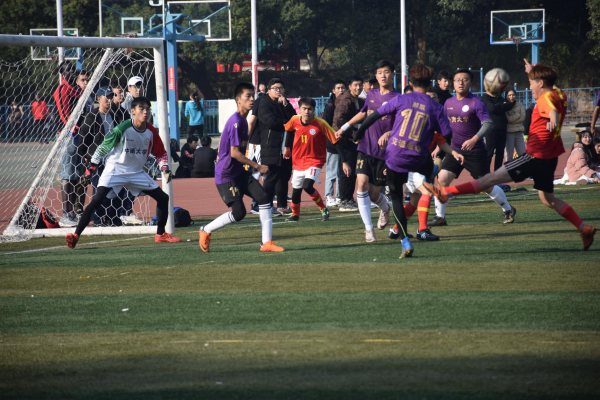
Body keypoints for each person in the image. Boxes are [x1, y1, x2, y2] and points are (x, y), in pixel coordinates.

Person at [429, 62, 596, 251]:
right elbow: (552, 93)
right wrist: (532, 72)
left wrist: (553, 120)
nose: (530, 88)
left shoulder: (545, 99)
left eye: (531, 83)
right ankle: (583, 227)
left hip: (534, 157)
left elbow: (551, 110)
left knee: (488, 180)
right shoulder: (560, 94)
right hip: (550, 158)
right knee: (548, 199)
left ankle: (447, 193)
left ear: (541, 83)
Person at [353, 64, 462, 258]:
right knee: (428, 174)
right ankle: (430, 181)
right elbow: (447, 133)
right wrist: (436, 141)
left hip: (394, 156)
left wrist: (359, 133)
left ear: (410, 82)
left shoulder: (401, 99)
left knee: (396, 197)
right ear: (430, 83)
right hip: (419, 157)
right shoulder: (435, 106)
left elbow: (374, 116)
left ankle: (405, 240)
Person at [65, 96, 180, 248]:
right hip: (115, 169)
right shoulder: (122, 128)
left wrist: (164, 168)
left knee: (163, 198)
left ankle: (160, 234)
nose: (145, 112)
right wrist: (90, 169)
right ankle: (75, 235)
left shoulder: (151, 131)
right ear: (133, 111)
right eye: (141, 109)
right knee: (97, 200)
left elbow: (161, 153)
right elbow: (104, 147)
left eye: (148, 109)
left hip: (136, 172)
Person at [199, 82, 284, 253]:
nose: (252, 99)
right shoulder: (236, 122)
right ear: (238, 100)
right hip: (226, 176)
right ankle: (205, 230)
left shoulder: (244, 121)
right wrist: (257, 166)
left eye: (253, 95)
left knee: (263, 197)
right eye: (248, 96)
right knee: (239, 213)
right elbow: (235, 153)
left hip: (239, 172)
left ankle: (266, 242)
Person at [430, 68, 515, 227]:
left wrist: (474, 139)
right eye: (457, 80)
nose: (461, 83)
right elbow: (444, 127)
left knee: (486, 186)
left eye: (465, 80)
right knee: (441, 179)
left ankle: (508, 209)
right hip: (455, 150)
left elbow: (488, 124)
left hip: (475, 152)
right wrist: (439, 147)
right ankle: (440, 217)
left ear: (471, 83)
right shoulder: (448, 103)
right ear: (453, 83)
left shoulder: (476, 102)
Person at [335, 60, 398, 242]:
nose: (383, 75)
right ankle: (368, 229)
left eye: (386, 72)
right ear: (376, 76)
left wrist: (388, 133)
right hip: (365, 147)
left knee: (374, 194)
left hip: (384, 153)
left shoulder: (398, 98)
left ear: (393, 74)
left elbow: (402, 123)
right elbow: (364, 113)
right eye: (380, 72)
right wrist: (345, 127)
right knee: (361, 183)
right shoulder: (371, 95)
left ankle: (385, 208)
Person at [283, 97, 347, 222]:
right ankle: (295, 214)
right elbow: (289, 130)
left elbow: (335, 141)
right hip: (298, 161)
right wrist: (287, 147)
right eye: (304, 109)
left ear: (314, 110)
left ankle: (323, 208)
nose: (307, 112)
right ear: (299, 109)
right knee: (296, 191)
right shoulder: (294, 120)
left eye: (310, 109)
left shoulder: (321, 123)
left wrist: (344, 161)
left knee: (307, 186)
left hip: (315, 161)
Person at [53, 65, 90, 227]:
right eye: (67, 71)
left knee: (77, 175)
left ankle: (74, 211)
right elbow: (64, 115)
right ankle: (66, 213)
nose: (71, 74)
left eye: (73, 71)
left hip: (80, 136)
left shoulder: (76, 91)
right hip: (69, 136)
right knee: (68, 174)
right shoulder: (62, 90)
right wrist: (75, 130)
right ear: (62, 73)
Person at [256, 78, 297, 214]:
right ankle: (266, 206)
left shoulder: (284, 103)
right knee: (271, 177)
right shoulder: (264, 103)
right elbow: (270, 121)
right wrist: (287, 123)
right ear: (268, 90)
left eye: (281, 88)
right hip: (270, 146)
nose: (278, 90)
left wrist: (286, 106)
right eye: (275, 88)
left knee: (284, 176)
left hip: (286, 146)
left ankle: (282, 205)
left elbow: (295, 118)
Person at [77, 86, 116, 226]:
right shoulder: (92, 117)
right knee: (98, 190)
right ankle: (97, 219)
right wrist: (87, 156)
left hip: (113, 159)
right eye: (107, 98)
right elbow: (82, 139)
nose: (109, 100)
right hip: (97, 160)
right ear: (99, 99)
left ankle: (110, 217)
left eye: (111, 97)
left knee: (112, 189)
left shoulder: (114, 115)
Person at [333, 76, 364, 212]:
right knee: (346, 170)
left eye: (360, 85)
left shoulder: (359, 100)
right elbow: (340, 120)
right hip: (344, 140)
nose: (358, 87)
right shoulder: (345, 101)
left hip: (353, 140)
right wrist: (353, 134)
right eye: (355, 85)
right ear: (350, 87)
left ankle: (349, 198)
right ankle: (344, 200)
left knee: (352, 170)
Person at [322, 79, 346, 207]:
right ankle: (328, 196)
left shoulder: (347, 103)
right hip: (333, 143)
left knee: (342, 172)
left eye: (343, 88)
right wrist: (333, 138)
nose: (341, 90)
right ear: (333, 90)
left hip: (345, 143)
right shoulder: (330, 106)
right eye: (338, 88)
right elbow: (325, 125)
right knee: (331, 172)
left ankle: (339, 196)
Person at [481, 81, 514, 171]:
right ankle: (485, 172)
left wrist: (498, 106)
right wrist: (502, 106)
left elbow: (509, 105)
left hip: (502, 129)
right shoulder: (485, 98)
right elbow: (492, 108)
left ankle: (497, 173)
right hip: (491, 130)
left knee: (500, 153)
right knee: (489, 152)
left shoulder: (500, 97)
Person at [505, 89, 526, 161]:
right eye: (509, 95)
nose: (511, 97)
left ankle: (522, 168)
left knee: (522, 154)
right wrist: (518, 115)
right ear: (506, 96)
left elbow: (522, 118)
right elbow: (508, 119)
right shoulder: (504, 106)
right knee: (509, 155)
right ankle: (508, 168)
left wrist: (512, 119)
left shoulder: (520, 105)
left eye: (513, 95)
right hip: (509, 133)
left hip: (519, 132)